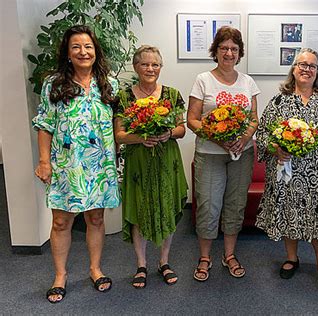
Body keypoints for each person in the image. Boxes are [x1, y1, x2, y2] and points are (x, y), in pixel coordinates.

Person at [32, 25, 120, 303]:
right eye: (76, 47)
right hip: (65, 165)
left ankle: (95, 269)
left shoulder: (109, 83)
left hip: (99, 165)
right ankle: (60, 275)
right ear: (68, 53)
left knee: (96, 218)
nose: (83, 52)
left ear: (96, 51)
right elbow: (45, 125)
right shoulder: (54, 83)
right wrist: (44, 161)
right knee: (61, 221)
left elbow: (117, 125)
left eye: (88, 46)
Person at [255, 48, 318, 290]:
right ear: (293, 69)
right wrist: (276, 149)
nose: (306, 69)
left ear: (317, 71)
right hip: (287, 173)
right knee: (289, 215)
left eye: (312, 65)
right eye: (301, 64)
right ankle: (292, 259)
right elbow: (263, 134)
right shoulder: (279, 100)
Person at [187, 26, 259, 281]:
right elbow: (192, 121)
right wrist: (218, 138)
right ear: (215, 51)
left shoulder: (247, 81)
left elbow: (253, 119)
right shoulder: (203, 80)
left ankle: (229, 255)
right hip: (210, 153)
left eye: (234, 49)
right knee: (208, 206)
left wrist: (244, 138)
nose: (229, 53)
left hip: (242, 153)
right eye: (224, 48)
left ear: (239, 54)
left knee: (235, 205)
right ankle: (204, 257)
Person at [114, 45, 188, 288]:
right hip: (139, 163)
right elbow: (119, 135)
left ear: (160, 67)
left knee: (167, 207)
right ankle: (141, 264)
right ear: (136, 67)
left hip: (167, 160)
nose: (150, 68)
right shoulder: (124, 97)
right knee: (138, 211)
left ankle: (164, 262)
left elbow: (181, 129)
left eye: (155, 64)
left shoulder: (172, 94)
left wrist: (168, 133)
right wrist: (141, 137)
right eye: (145, 64)